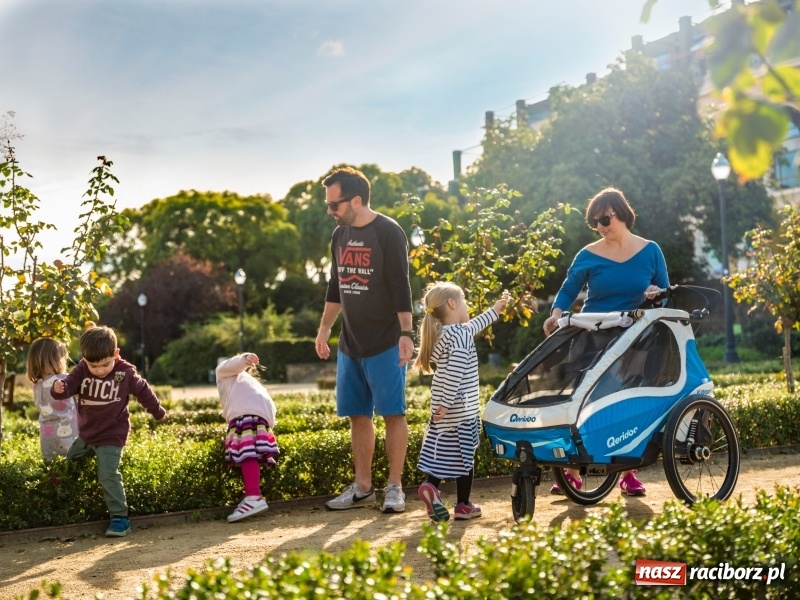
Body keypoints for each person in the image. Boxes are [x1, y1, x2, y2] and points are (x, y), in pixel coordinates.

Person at [542, 187, 668, 497]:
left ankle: (628, 473)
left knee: (630, 401)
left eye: (604, 219)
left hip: (634, 336)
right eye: (595, 222)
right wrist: (556, 313)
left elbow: (666, 292)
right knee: (582, 401)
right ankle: (570, 472)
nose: (600, 226)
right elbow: (569, 288)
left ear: (621, 213)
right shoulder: (588, 254)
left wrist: (656, 295)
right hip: (592, 335)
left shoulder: (651, 250)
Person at [315, 166, 414, 514]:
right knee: (358, 415)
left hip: (386, 341)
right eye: (328, 205)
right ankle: (362, 487)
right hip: (350, 344)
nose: (331, 211)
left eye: (335, 205)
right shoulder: (339, 237)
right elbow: (335, 285)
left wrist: (406, 332)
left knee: (392, 413)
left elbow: (401, 285)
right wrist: (325, 328)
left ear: (356, 200)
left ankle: (395, 487)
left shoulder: (388, 232)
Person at [51, 325, 167, 537]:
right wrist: (59, 388)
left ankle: (120, 518)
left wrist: (157, 411)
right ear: (84, 359)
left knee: (107, 473)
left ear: (116, 354)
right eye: (94, 366)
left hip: (112, 435)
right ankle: (63, 505)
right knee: (70, 462)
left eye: (105, 364)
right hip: (87, 434)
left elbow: (143, 391)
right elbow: (68, 386)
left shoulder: (125, 372)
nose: (100, 370)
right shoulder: (82, 369)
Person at [414, 283, 511, 521]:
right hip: (461, 409)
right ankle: (463, 504)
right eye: (465, 300)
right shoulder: (460, 336)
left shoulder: (444, 334)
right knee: (465, 455)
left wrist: (495, 310)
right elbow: (456, 372)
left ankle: (431, 486)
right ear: (452, 304)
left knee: (445, 452)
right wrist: (448, 402)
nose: (467, 305)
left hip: (441, 410)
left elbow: (473, 325)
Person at [215, 352, 280, 523]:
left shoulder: (222, 373)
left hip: (245, 415)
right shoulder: (251, 384)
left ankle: (253, 497)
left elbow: (230, 364)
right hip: (261, 418)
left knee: (246, 454)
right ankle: (253, 495)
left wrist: (244, 358)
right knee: (251, 454)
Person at [26, 337, 79, 461]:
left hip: (47, 434)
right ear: (56, 360)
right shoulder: (65, 380)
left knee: (51, 469)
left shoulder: (37, 384)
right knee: (72, 467)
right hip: (69, 432)